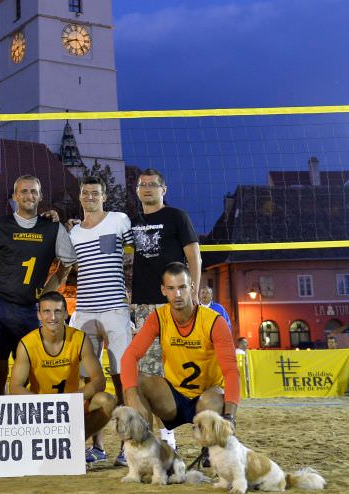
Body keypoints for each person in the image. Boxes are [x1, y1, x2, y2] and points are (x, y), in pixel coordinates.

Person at [120, 262, 240, 467]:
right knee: (135, 383)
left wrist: (229, 416)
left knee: (214, 400)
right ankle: (146, 450)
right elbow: (129, 357)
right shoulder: (159, 317)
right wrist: (130, 396)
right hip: (173, 398)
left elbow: (231, 371)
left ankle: (213, 445)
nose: (177, 294)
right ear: (163, 290)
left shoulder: (214, 321)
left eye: (182, 287)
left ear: (192, 287)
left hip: (206, 398)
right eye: (171, 288)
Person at [0, 175, 75, 394]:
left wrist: (48, 293)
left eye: (33, 191)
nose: (28, 195)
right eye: (23, 191)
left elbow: (67, 263)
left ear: (40, 197)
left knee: (30, 371)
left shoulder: (53, 228)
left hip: (30, 308)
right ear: (14, 196)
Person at [129, 168, 201, 448]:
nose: (146, 188)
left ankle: (206, 437)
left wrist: (192, 292)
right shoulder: (131, 222)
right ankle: (167, 437)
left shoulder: (176, 216)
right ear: (137, 191)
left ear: (164, 189)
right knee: (151, 373)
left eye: (152, 185)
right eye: (142, 185)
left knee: (185, 370)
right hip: (145, 305)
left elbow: (194, 255)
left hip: (176, 302)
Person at [67, 175, 134, 465]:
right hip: (84, 310)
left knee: (123, 380)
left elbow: (136, 255)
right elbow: (65, 267)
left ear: (104, 196)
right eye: (85, 192)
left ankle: (126, 446)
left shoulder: (119, 220)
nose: (90, 196)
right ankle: (97, 446)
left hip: (115, 309)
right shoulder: (74, 233)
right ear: (80, 196)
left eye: (95, 193)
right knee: (88, 381)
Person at [9, 291, 115, 456]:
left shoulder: (79, 338)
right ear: (39, 314)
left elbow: (99, 380)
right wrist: (44, 404)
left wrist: (72, 399)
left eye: (58, 311)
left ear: (66, 313)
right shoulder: (27, 343)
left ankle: (75, 443)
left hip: (70, 406)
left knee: (106, 401)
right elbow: (15, 387)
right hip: (40, 410)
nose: (53, 317)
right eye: (47, 311)